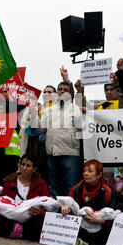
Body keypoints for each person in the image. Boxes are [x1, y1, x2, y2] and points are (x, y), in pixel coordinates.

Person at [31, 67, 83, 197]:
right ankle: (56, 215)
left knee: (71, 187)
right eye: (60, 89)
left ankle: (71, 214)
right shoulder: (49, 110)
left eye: (65, 90)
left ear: (70, 94)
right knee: (55, 188)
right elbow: (40, 129)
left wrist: (67, 80)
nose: (62, 91)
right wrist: (33, 113)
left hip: (70, 153)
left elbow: (82, 126)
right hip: (52, 155)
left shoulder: (75, 108)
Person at [61, 159, 122, 245]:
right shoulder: (75, 190)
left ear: (99, 174)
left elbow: (118, 215)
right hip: (80, 228)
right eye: (84, 171)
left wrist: (103, 222)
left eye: (90, 171)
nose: (86, 174)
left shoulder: (108, 192)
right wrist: (66, 209)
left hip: (101, 230)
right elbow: (69, 210)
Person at [0, 154, 50, 241]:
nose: (24, 168)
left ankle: (19, 232)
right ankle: (22, 232)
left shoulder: (41, 183)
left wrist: (42, 212)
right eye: (23, 165)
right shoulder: (9, 181)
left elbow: (47, 201)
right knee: (0, 221)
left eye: (28, 166)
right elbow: (3, 199)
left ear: (34, 169)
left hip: (30, 218)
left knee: (39, 224)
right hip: (11, 216)